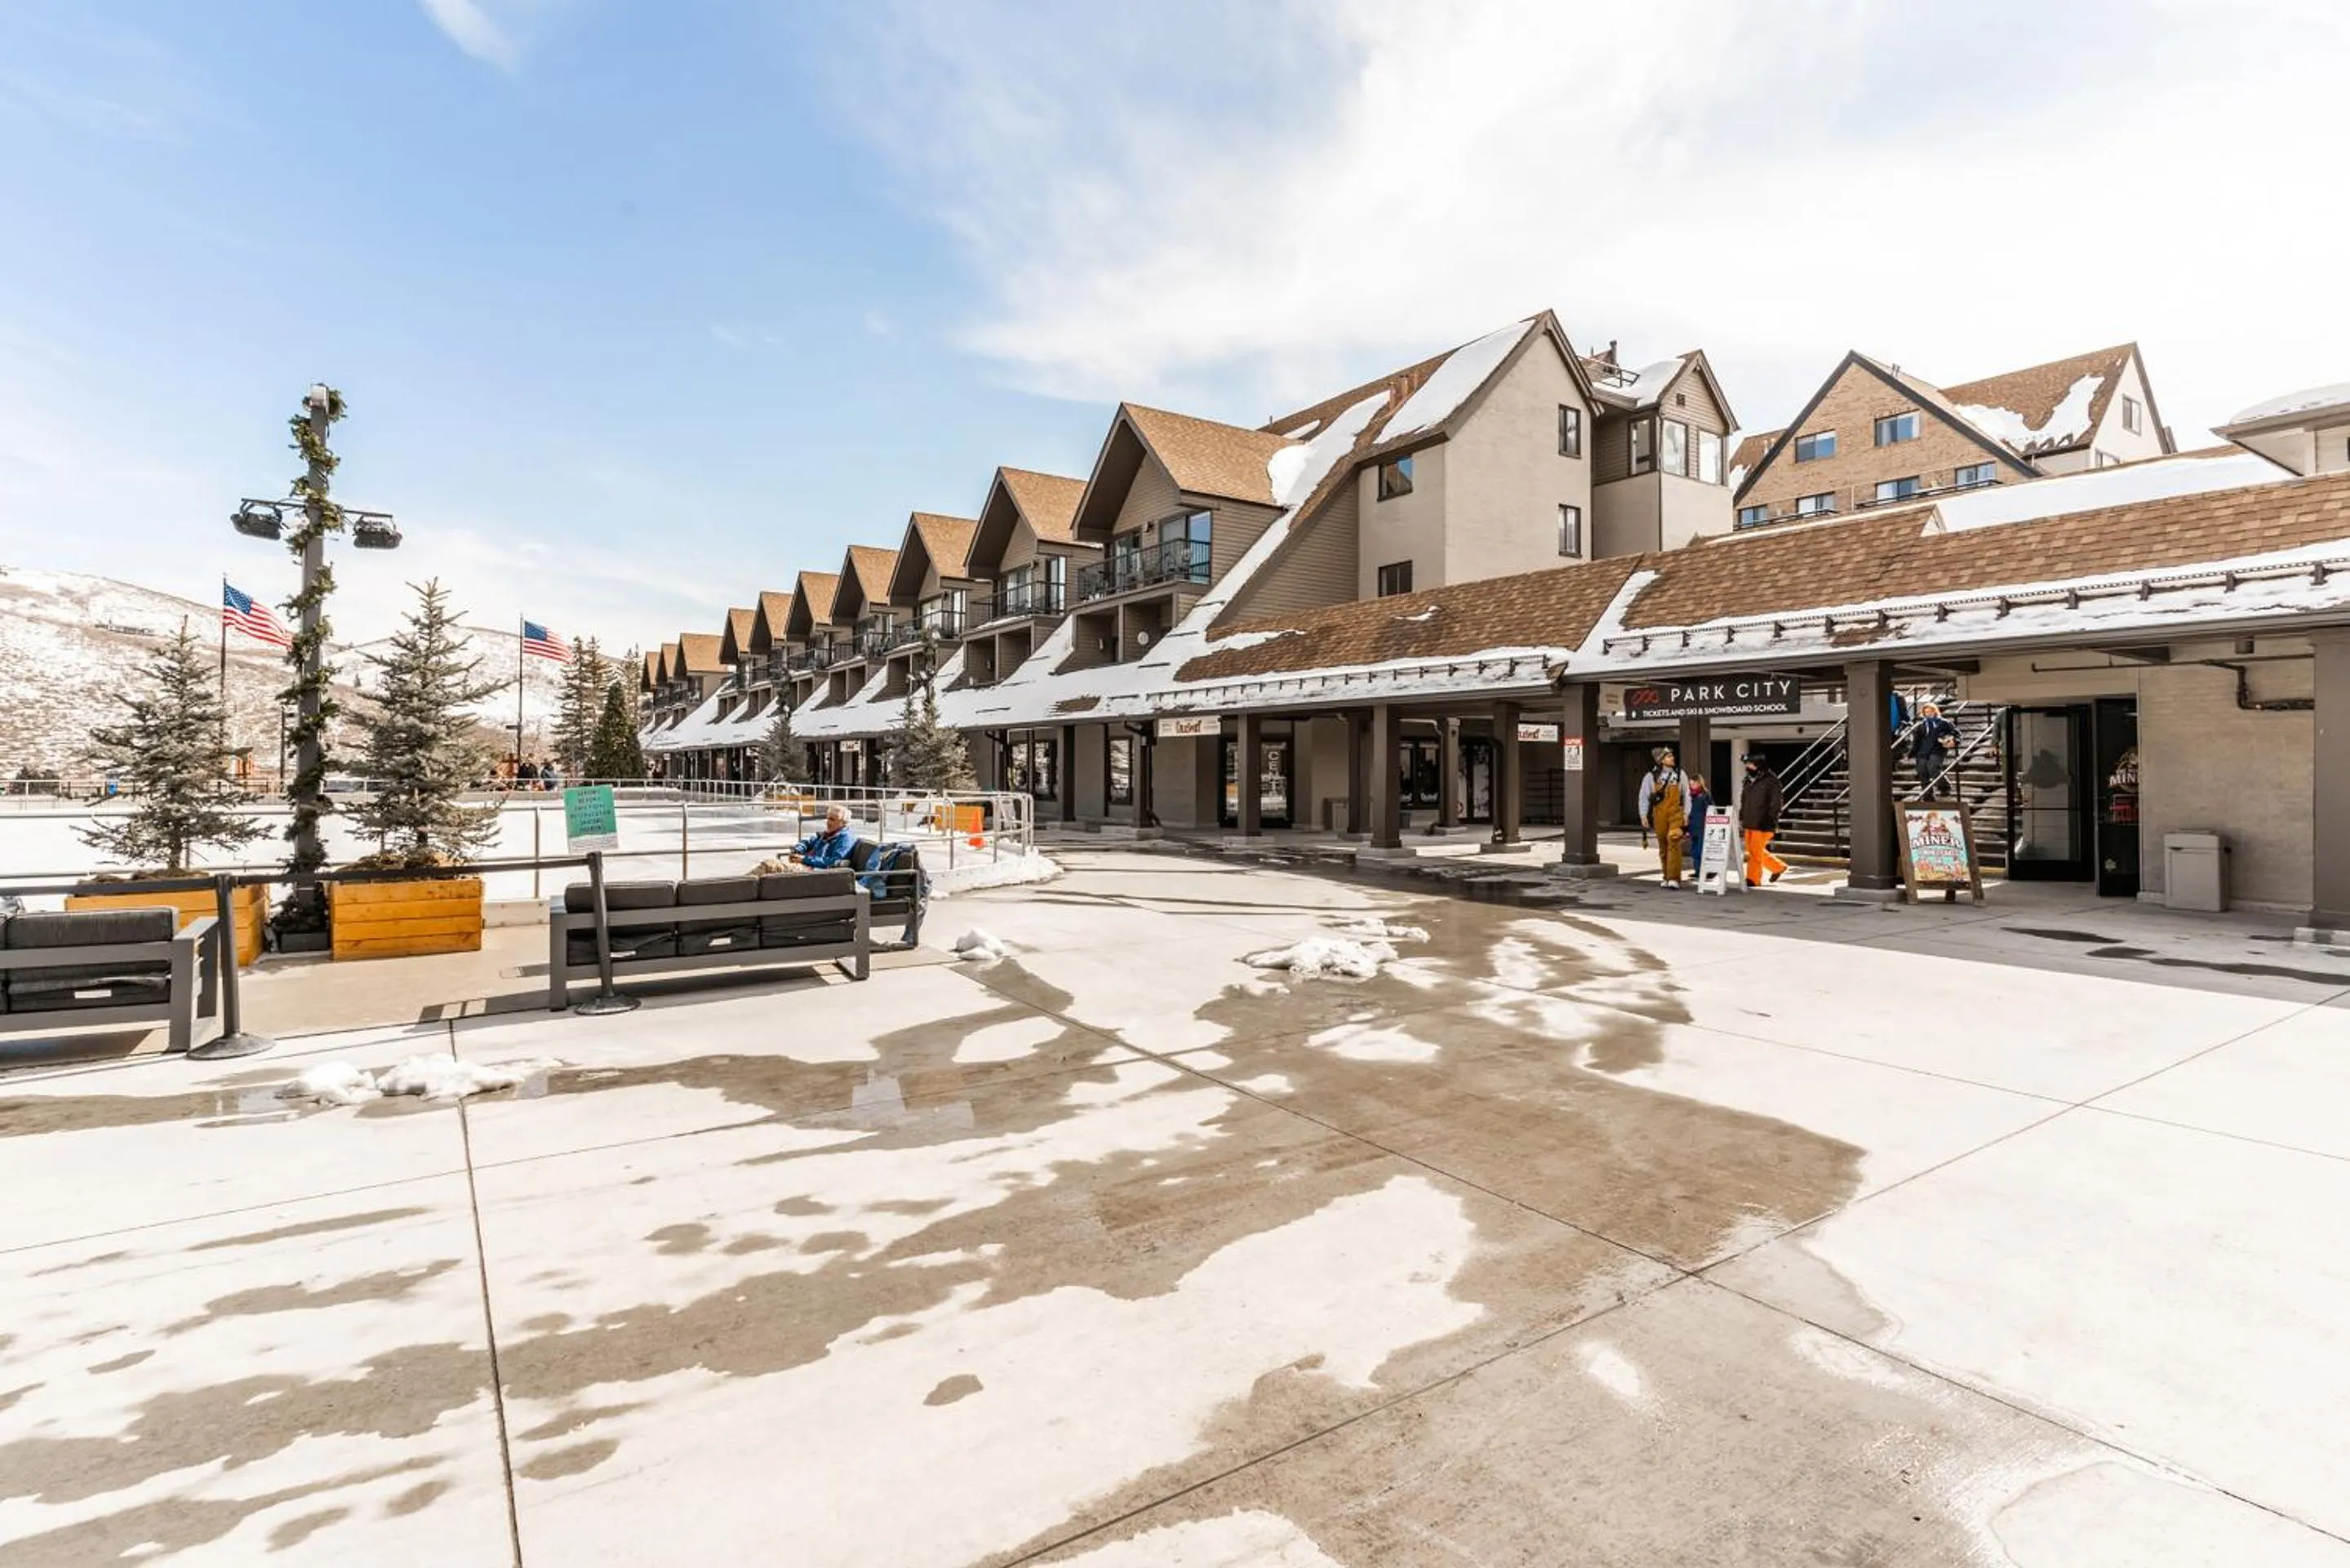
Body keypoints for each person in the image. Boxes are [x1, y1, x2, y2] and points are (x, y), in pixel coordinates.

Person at [1637, 748, 1691, 888]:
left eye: (1672, 755)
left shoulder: (1680, 774)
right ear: (1661, 760)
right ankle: (1666, 876)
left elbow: (1687, 795)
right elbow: (1644, 796)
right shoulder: (1651, 776)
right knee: (1663, 845)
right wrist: (1643, 815)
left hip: (1676, 814)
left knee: (1673, 839)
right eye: (1668, 756)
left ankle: (1674, 878)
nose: (1672, 758)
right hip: (1658, 814)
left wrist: (1686, 814)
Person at [1739, 753, 1788, 886]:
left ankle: (1753, 879)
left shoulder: (1772, 781)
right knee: (1753, 850)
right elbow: (1744, 800)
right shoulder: (1748, 780)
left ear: (1759, 765)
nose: (1748, 767)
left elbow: (1776, 803)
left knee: (1755, 852)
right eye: (1747, 765)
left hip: (1763, 823)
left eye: (1750, 764)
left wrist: (1771, 819)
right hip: (1749, 821)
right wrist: (1741, 815)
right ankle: (1778, 867)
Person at [1913, 700, 1961, 800]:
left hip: (1938, 750)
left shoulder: (1944, 723)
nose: (1928, 714)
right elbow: (1916, 741)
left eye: (1930, 711)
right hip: (1923, 751)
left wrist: (1954, 741)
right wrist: (1911, 753)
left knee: (1933, 768)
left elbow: (1957, 734)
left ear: (1935, 711)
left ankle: (1944, 787)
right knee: (1922, 771)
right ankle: (1927, 795)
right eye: (1926, 712)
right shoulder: (1921, 725)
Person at [791, 804, 862, 869]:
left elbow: (834, 862)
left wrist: (805, 859)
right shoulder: (828, 834)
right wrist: (798, 850)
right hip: (809, 867)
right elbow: (809, 842)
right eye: (828, 818)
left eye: (832, 820)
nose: (828, 822)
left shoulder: (846, 839)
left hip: (821, 873)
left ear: (844, 822)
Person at [1685, 771, 1713, 875]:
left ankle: (1705, 871)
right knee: (1694, 850)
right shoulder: (1689, 796)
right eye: (1690, 784)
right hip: (1693, 827)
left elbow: (1711, 809)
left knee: (1702, 850)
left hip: (1703, 827)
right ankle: (1698, 871)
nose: (1692, 786)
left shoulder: (1705, 795)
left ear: (1699, 783)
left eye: (1693, 784)